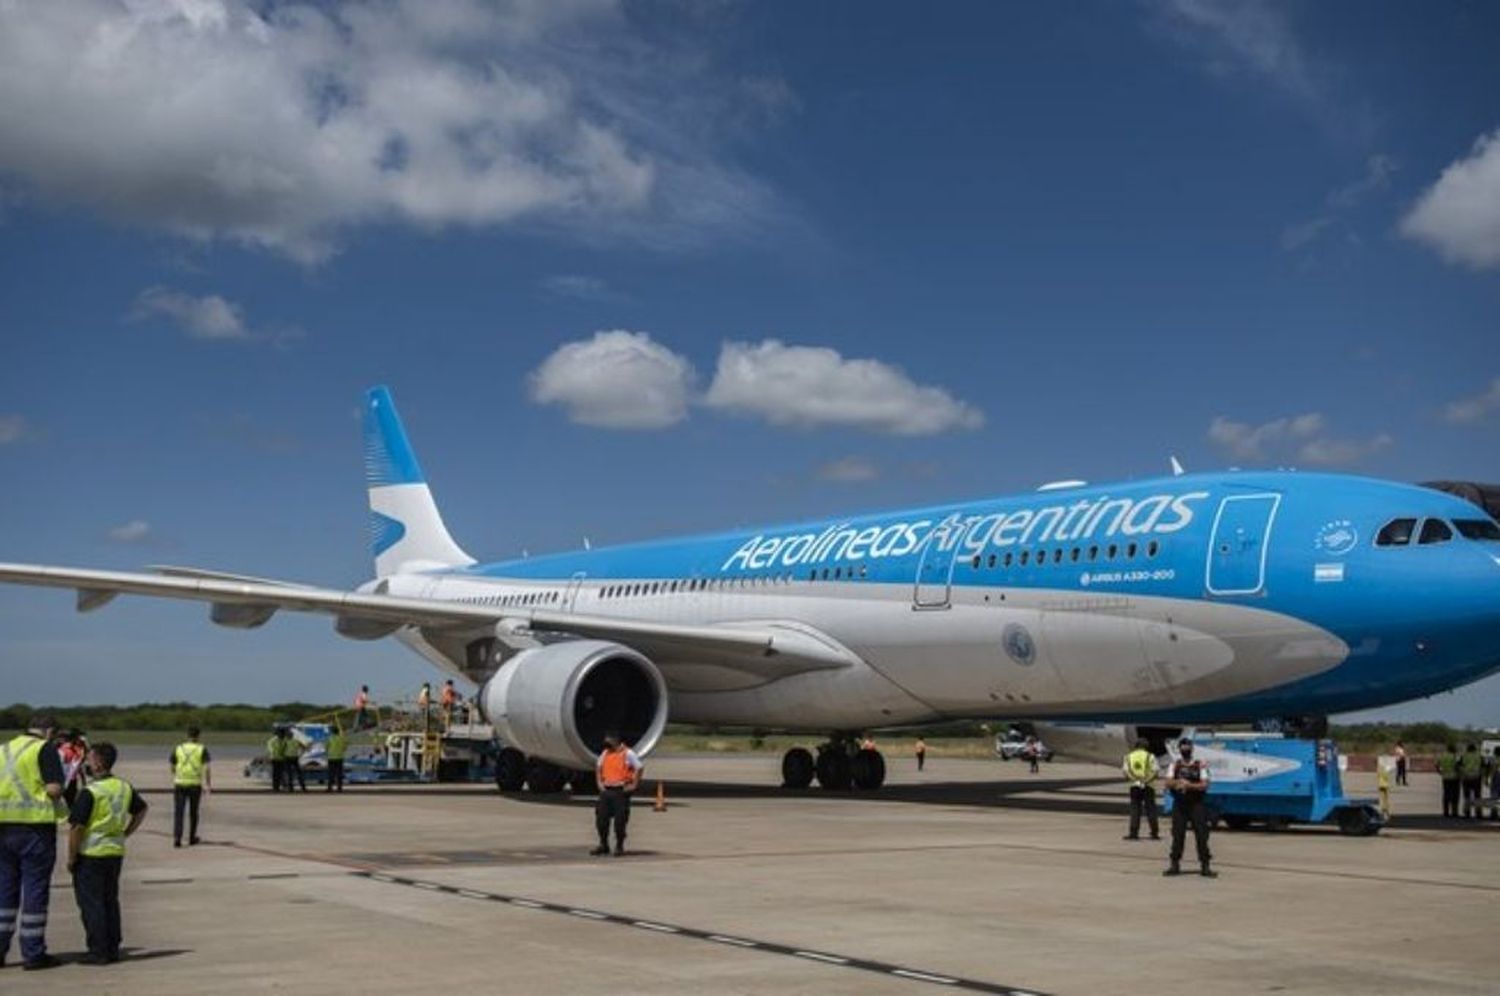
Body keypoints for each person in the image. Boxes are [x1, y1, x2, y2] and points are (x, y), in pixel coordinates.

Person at [67, 742, 147, 965]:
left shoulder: (90, 792)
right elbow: (141, 810)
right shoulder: (123, 787)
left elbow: (77, 828)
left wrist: (72, 857)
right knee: (110, 901)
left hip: (91, 854)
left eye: (90, 759)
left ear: (99, 763)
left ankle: (98, 950)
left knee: (92, 904)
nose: (86, 763)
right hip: (114, 852)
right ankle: (112, 946)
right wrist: (125, 832)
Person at [0, 714, 65, 970]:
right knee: (35, 891)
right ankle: (33, 952)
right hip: (34, 829)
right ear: (48, 731)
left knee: (4, 890)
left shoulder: (4, 749)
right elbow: (53, 789)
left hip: (3, 827)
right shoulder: (44, 749)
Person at [1164, 737, 1214, 878]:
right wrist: (1177, 783)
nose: (1185, 750)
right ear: (1180, 750)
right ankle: (1174, 864)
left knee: (1202, 835)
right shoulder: (1175, 765)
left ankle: (1205, 865)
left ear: (1191, 749)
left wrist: (1189, 785)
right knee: (1177, 835)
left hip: (1196, 804)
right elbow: (1167, 782)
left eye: (1187, 748)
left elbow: (1205, 784)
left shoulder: (1200, 765)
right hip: (1180, 804)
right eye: (1183, 748)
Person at [592, 732, 643, 857]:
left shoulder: (628, 753)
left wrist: (634, 785)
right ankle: (603, 845)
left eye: (608, 740)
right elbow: (598, 767)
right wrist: (599, 782)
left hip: (620, 791)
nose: (606, 742)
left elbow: (639, 767)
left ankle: (619, 846)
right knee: (601, 820)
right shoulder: (605, 753)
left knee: (620, 821)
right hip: (606, 791)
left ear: (616, 740)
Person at [170, 726, 210, 846]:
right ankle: (192, 837)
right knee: (193, 812)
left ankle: (177, 838)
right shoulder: (202, 749)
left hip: (180, 783)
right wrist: (208, 784)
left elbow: (172, 765)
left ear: (187, 735)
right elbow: (207, 768)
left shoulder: (178, 748)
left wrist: (177, 774)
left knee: (179, 812)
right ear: (198, 736)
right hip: (195, 784)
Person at [1122, 737, 1161, 841]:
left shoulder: (1128, 757)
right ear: (1146, 746)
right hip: (1148, 786)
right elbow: (1155, 772)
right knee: (1151, 810)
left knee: (1135, 810)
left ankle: (1133, 833)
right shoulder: (1150, 756)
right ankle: (1154, 833)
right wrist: (1145, 780)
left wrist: (1136, 780)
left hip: (1135, 786)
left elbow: (1126, 774)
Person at [1459, 742, 1483, 819]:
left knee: (1467, 796)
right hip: (1476, 777)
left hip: (1466, 777)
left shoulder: (1464, 756)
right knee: (1477, 795)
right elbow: (1483, 766)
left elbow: (1459, 765)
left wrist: (1463, 773)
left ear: (1468, 749)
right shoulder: (1479, 756)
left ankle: (1467, 812)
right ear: (1475, 749)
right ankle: (1478, 813)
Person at [1436, 743, 1460, 818]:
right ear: (1453, 750)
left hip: (1445, 777)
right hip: (1454, 777)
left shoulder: (1442, 756)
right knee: (1455, 795)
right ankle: (1454, 812)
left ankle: (1446, 812)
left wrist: (1440, 772)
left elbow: (1437, 765)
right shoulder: (1455, 757)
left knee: (1446, 794)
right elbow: (1457, 766)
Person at [325, 725, 347, 793]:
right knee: (339, 774)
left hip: (331, 758)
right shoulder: (342, 738)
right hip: (339, 758)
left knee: (331, 773)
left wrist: (328, 753)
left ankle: (330, 788)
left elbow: (326, 747)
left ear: (332, 732)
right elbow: (345, 747)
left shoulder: (329, 738)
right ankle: (339, 788)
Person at [266, 727, 287, 792]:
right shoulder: (272, 740)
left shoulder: (284, 740)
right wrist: (271, 753)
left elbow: (286, 748)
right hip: (275, 759)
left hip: (282, 759)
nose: (282, 735)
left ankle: (283, 786)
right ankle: (275, 787)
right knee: (275, 774)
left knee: (282, 773)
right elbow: (270, 748)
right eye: (280, 733)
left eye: (282, 734)